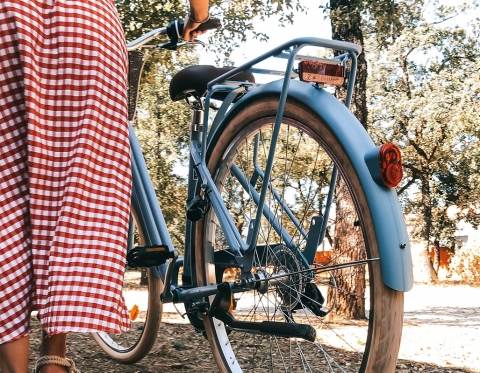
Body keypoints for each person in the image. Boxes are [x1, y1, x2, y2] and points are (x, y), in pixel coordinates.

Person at [0, 0, 209, 372]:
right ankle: (54, 357)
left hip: (9, 17)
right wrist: (198, 15)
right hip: (87, 22)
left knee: (7, 193)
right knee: (79, 189)